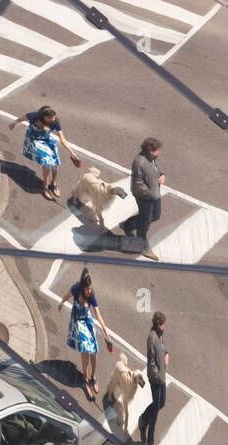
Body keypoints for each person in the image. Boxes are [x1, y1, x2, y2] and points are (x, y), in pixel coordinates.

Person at [58, 267, 112, 402]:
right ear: (82, 288)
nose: (89, 291)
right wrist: (61, 303)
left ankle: (94, 376)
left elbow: (97, 313)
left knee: (94, 350)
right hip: (77, 321)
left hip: (86, 320)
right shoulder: (76, 289)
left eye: (90, 289)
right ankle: (85, 378)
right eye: (87, 289)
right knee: (86, 349)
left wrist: (105, 329)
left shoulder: (91, 295)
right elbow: (66, 295)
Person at [10, 106, 82, 200]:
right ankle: (45, 185)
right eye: (50, 118)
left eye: (54, 117)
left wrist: (72, 153)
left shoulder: (55, 122)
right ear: (42, 117)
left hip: (47, 140)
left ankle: (53, 183)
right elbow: (20, 119)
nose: (53, 119)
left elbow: (62, 139)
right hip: (33, 141)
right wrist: (13, 124)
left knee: (56, 163)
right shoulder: (32, 116)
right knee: (47, 161)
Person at [119, 137, 165, 261]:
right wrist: (150, 194)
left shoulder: (153, 158)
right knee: (144, 223)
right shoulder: (139, 163)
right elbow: (138, 184)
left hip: (155, 193)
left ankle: (128, 225)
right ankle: (143, 246)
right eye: (156, 150)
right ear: (150, 150)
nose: (158, 153)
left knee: (155, 215)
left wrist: (161, 174)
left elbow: (157, 165)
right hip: (145, 197)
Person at [136, 311, 169, 445]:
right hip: (156, 379)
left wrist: (166, 353)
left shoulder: (160, 334)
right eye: (163, 324)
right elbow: (151, 363)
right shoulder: (152, 338)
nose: (164, 327)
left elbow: (163, 346)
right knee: (155, 412)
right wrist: (158, 377)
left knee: (161, 403)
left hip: (161, 377)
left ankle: (143, 420)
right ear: (157, 324)